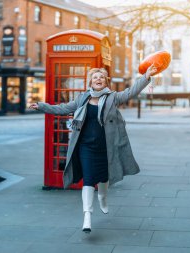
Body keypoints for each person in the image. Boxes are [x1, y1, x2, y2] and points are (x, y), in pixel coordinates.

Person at [29, 65, 157, 233]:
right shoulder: (82, 98)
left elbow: (130, 92)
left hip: (106, 146)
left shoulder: (113, 98)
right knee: (88, 180)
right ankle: (87, 216)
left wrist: (146, 77)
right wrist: (42, 106)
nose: (98, 79)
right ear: (90, 81)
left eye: (101, 77)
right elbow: (62, 108)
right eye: (95, 77)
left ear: (105, 82)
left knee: (104, 178)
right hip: (85, 147)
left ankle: (103, 198)